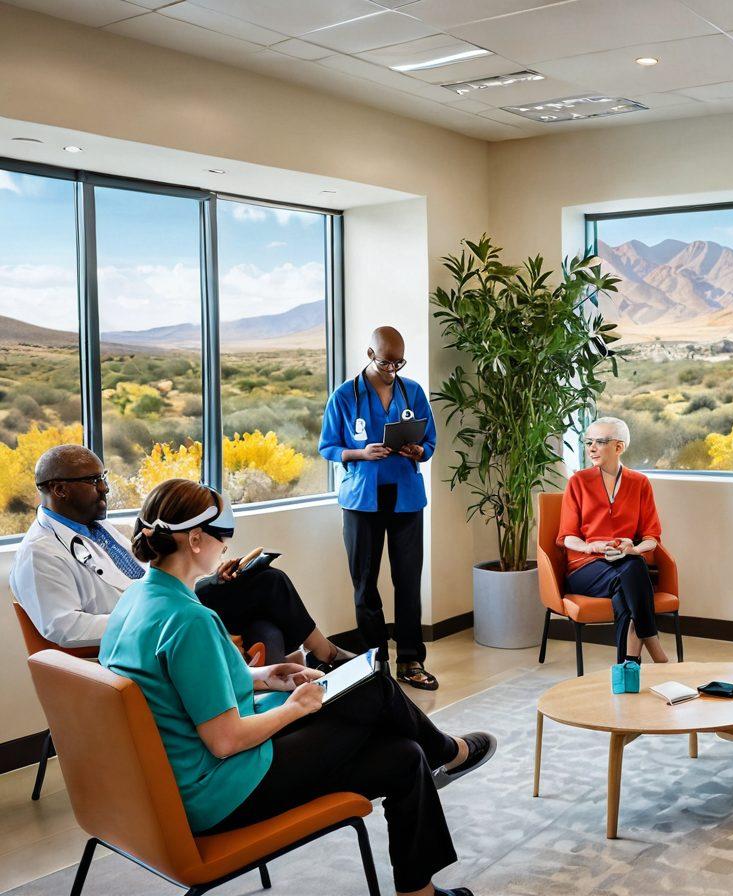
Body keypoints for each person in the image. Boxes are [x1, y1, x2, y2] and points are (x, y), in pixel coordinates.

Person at [99, 478, 494, 896]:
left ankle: (421, 884)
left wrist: (266, 676)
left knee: (403, 755)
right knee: (373, 688)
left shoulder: (138, 599)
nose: (227, 548)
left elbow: (181, 689)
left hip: (184, 781)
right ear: (196, 540)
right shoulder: (189, 620)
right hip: (220, 789)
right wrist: (295, 708)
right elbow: (225, 740)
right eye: (224, 538)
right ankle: (446, 752)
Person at [9, 444, 352, 668]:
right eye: (93, 480)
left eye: (103, 478)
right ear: (59, 489)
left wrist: (210, 579)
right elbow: (63, 628)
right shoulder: (40, 552)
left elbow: (153, 572)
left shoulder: (98, 529)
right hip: (145, 627)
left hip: (163, 604)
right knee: (268, 587)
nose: (105, 488)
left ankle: (277, 700)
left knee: (264, 611)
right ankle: (323, 657)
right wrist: (146, 615)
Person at [319, 326, 439, 690]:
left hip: (405, 498)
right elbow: (328, 447)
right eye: (386, 362)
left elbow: (430, 441)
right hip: (362, 502)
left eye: (399, 362)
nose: (392, 369)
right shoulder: (345, 395)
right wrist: (361, 453)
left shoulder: (412, 391)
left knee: (408, 581)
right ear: (371, 355)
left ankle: (411, 660)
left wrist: (419, 450)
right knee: (365, 583)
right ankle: (376, 663)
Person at [557, 416, 669, 664]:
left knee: (626, 592)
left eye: (600, 442)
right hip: (584, 567)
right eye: (588, 442)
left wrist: (634, 549)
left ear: (619, 447)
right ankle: (655, 649)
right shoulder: (578, 482)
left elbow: (652, 537)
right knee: (634, 572)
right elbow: (567, 537)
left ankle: (627, 667)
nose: (591, 448)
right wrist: (590, 546)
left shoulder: (639, 483)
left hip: (623, 564)